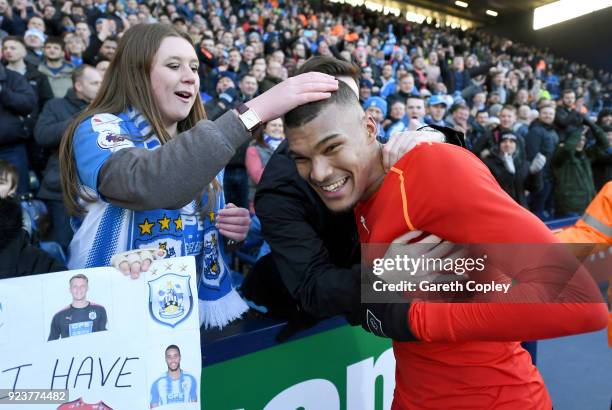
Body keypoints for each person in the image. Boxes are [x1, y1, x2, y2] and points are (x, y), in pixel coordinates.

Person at [283, 80, 607, 409]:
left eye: (332, 147)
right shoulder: (353, 195)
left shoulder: (430, 167)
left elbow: (578, 303)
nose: (319, 172)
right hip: (413, 397)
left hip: (497, 400)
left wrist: (416, 318)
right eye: (302, 159)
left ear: (369, 127)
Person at [58, 24, 337, 329]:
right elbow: (143, 184)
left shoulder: (203, 144)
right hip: (119, 317)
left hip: (193, 313)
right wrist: (257, 109)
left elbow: (202, 238)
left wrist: (231, 235)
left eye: (194, 67)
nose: (190, 76)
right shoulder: (100, 127)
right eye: (173, 65)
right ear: (135, 72)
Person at [35, 64, 102, 249]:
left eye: (102, 82)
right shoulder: (55, 106)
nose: (100, 86)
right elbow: (42, 135)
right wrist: (80, 118)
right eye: (95, 83)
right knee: (64, 245)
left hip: (96, 191)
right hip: (61, 191)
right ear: (79, 86)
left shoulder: (107, 108)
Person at [48, 273, 107, 340]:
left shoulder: (99, 310)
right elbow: (51, 344)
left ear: (87, 288)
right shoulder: (59, 316)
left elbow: (105, 338)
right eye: (75, 286)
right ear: (70, 289)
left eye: (82, 286)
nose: (79, 289)